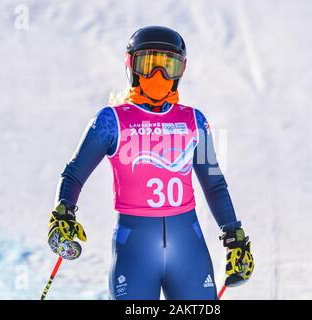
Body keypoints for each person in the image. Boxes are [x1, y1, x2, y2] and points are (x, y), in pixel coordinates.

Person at [47, 26, 254, 300]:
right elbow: (74, 174)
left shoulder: (195, 122)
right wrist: (63, 213)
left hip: (187, 250)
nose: (159, 75)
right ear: (131, 65)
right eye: (149, 64)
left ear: (182, 69)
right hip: (135, 251)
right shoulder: (111, 121)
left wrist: (234, 236)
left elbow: (214, 184)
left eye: (169, 65)